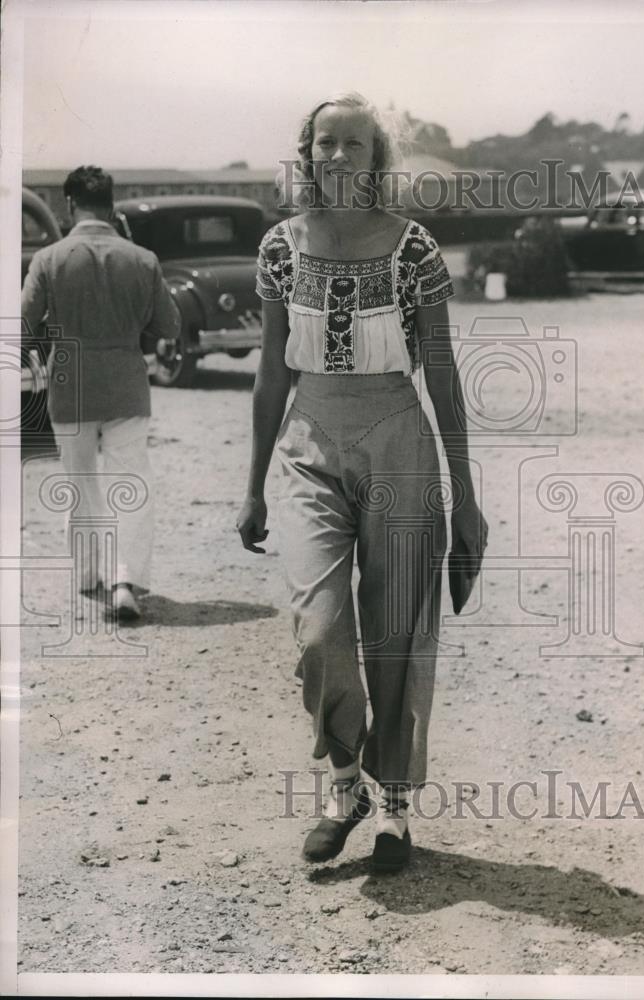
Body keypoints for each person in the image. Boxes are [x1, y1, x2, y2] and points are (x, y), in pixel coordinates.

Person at [237, 94, 487, 872]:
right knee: (318, 632)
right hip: (310, 441)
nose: (338, 156)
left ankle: (394, 810)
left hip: (398, 441)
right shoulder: (280, 246)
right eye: (325, 143)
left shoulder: (413, 249)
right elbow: (271, 370)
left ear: (376, 159)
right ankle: (344, 782)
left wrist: (466, 496)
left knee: (398, 633)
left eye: (353, 144)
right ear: (306, 153)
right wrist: (250, 485)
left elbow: (441, 372)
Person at [21, 165, 180, 621]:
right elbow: (168, 325)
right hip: (126, 387)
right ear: (111, 204)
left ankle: (89, 575)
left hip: (70, 387)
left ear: (69, 205)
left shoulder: (49, 259)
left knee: (80, 484)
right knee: (130, 483)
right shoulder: (143, 259)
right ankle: (125, 581)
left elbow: (23, 324)